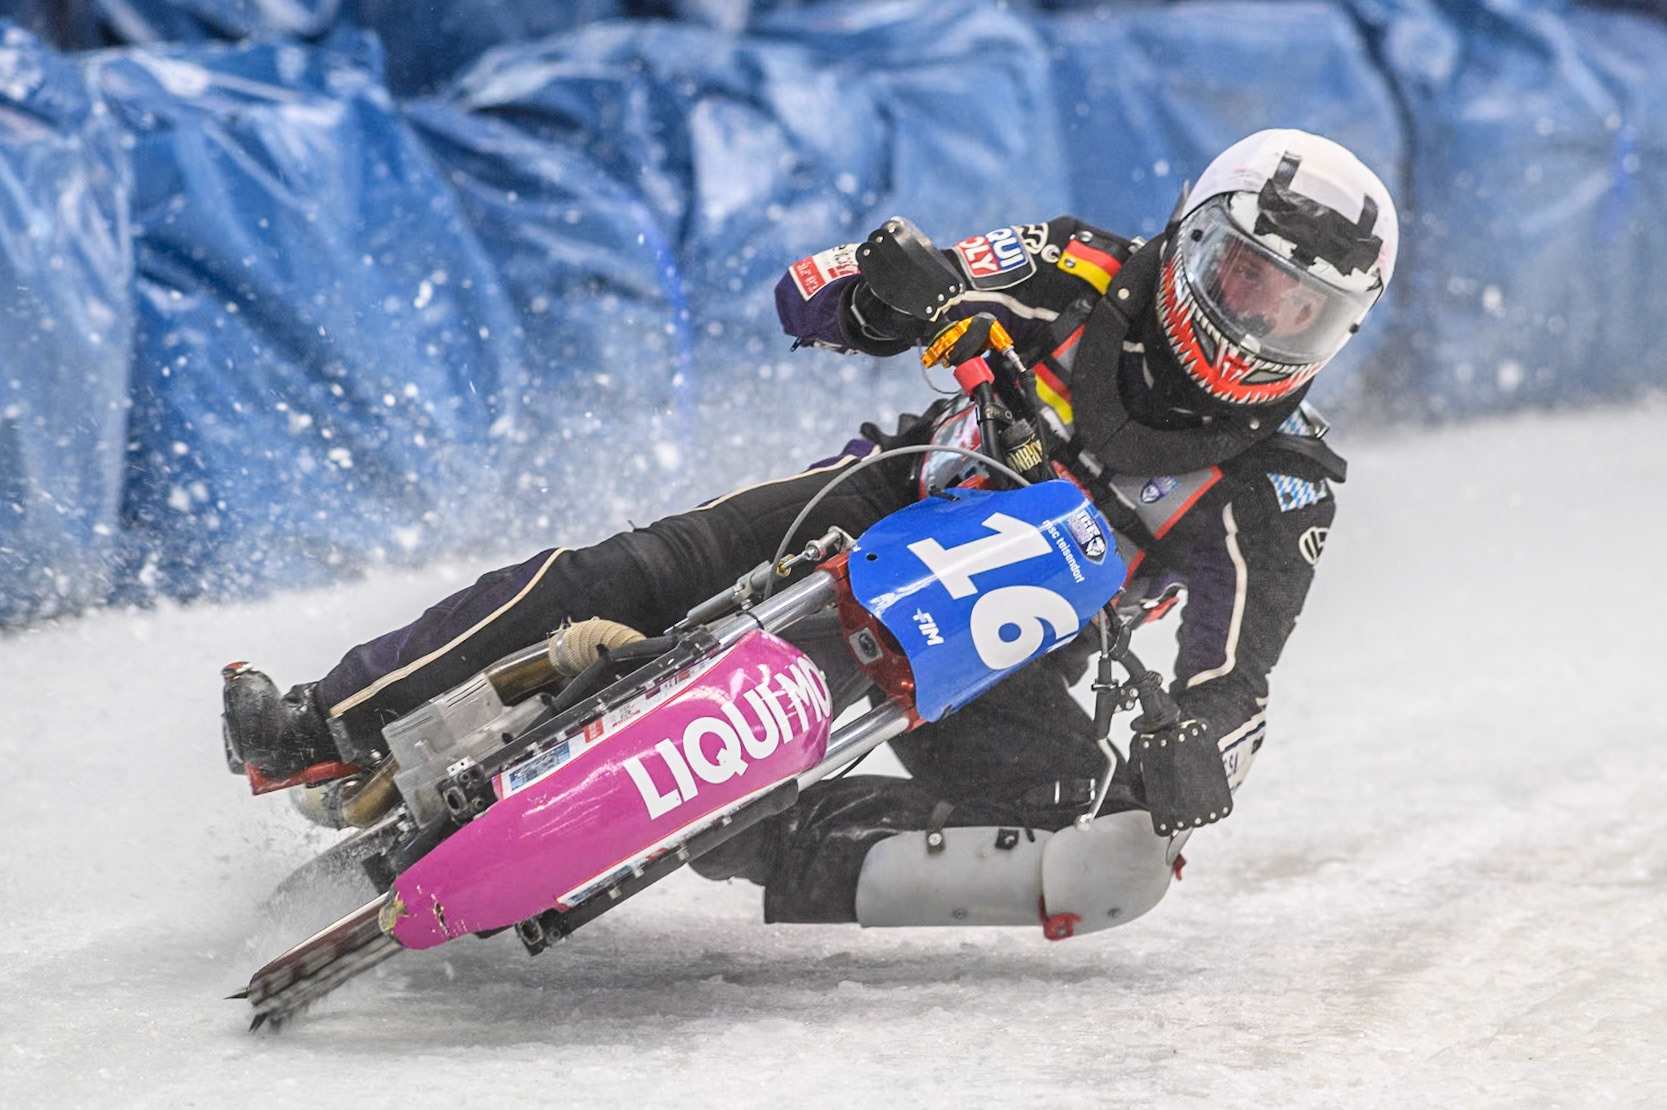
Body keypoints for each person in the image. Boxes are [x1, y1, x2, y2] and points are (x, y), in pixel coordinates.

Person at [223, 129, 1397, 937]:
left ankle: (743, 829)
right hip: (890, 493)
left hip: (1020, 641)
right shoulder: (1074, 263)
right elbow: (813, 290)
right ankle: (325, 722)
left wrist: (1192, 754)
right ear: (1193, 239)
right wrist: (893, 293)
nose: (1257, 329)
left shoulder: (1281, 475)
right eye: (1245, 282)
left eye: (1301, 311)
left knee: (1086, 832)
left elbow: (1235, 677)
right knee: (641, 565)